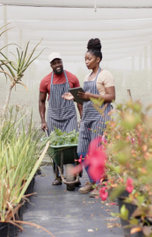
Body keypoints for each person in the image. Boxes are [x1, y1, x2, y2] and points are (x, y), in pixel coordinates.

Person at [63, 38, 115, 194]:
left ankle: (100, 184)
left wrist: (89, 95)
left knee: (97, 151)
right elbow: (85, 98)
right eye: (85, 59)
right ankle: (92, 182)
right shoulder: (87, 78)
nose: (86, 62)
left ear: (97, 59)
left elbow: (111, 97)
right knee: (82, 151)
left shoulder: (105, 75)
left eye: (89, 59)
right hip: (87, 117)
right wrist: (75, 97)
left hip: (101, 116)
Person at [39, 52, 83, 185]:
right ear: (51, 65)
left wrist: (83, 117)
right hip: (53, 117)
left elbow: (79, 100)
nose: (57, 65)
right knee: (56, 147)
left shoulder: (72, 78)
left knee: (73, 146)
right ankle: (57, 176)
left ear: (62, 62)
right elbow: (41, 101)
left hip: (69, 116)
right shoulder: (45, 81)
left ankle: (75, 173)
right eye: (54, 63)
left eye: (59, 61)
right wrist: (43, 120)